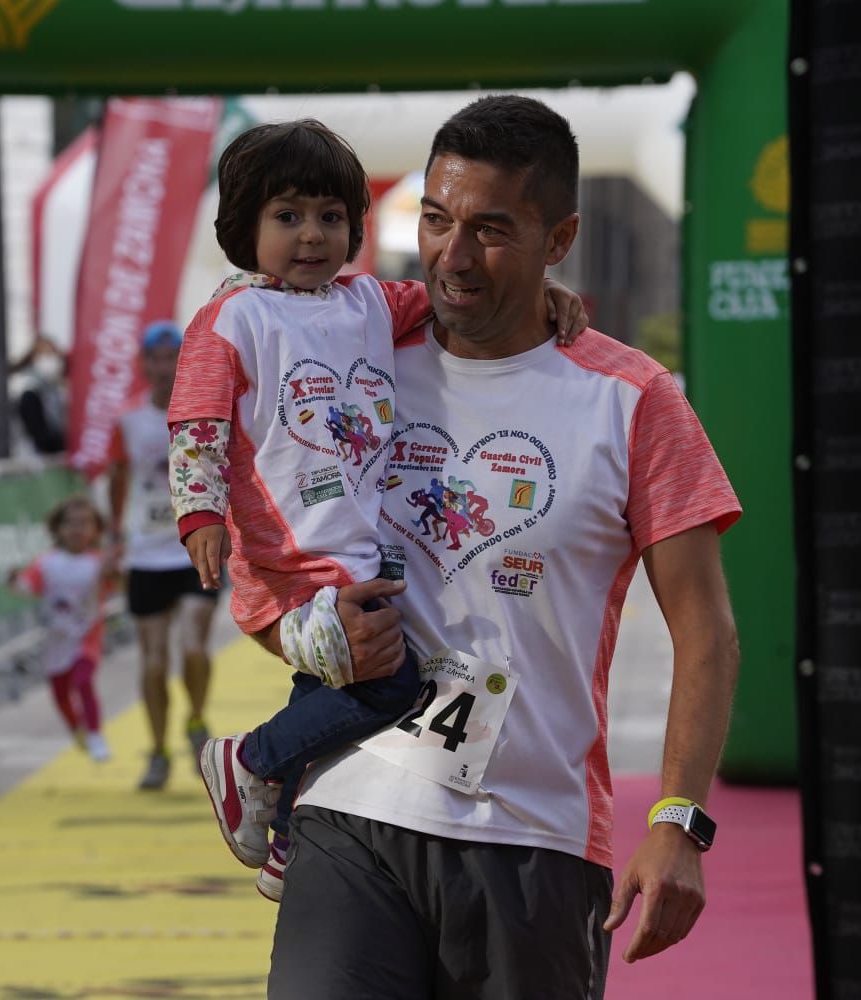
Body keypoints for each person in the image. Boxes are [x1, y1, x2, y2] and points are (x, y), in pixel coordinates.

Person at [264, 96, 743, 998]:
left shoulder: (634, 402)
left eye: (489, 230)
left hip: (533, 835)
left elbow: (707, 632)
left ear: (557, 239)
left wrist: (679, 821)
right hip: (353, 802)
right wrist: (297, 636)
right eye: (436, 220)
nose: (452, 253)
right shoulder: (354, 354)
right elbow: (264, 526)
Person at [167, 119, 588, 902]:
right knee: (387, 686)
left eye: (331, 217)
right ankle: (249, 762)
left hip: (353, 550)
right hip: (290, 555)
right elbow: (197, 421)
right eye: (287, 216)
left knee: (331, 686)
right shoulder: (233, 318)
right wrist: (200, 516)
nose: (312, 236)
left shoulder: (368, 301)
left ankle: (290, 830)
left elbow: (452, 300)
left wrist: (541, 295)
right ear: (242, 226)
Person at [107, 320, 219, 791]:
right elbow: (117, 480)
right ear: (144, 365)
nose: (164, 367)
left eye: (173, 357)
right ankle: (156, 751)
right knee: (153, 660)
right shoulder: (129, 423)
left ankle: (195, 720)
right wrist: (115, 537)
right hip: (146, 553)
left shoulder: (207, 414)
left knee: (193, 647)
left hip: (193, 549)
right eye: (155, 359)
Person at [7, 495, 119, 763]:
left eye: (84, 524)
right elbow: (28, 587)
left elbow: (118, 583)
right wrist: (13, 580)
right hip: (55, 638)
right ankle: (75, 727)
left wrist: (115, 569)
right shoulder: (46, 562)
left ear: (95, 530)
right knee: (60, 693)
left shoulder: (98, 562)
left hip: (86, 638)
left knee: (82, 681)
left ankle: (95, 734)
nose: (77, 530)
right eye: (70, 524)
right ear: (57, 528)